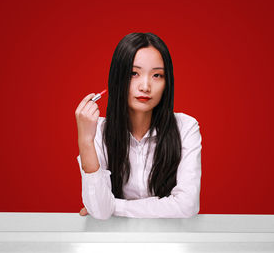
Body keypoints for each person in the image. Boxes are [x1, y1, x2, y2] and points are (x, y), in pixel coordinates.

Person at [75, 32, 202, 219]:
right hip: (113, 243)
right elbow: (100, 212)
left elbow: (186, 206)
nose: (145, 86)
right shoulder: (98, 131)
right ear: (117, 78)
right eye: (134, 73)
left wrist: (113, 207)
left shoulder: (185, 128)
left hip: (172, 242)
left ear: (168, 83)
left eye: (157, 75)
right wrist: (85, 141)